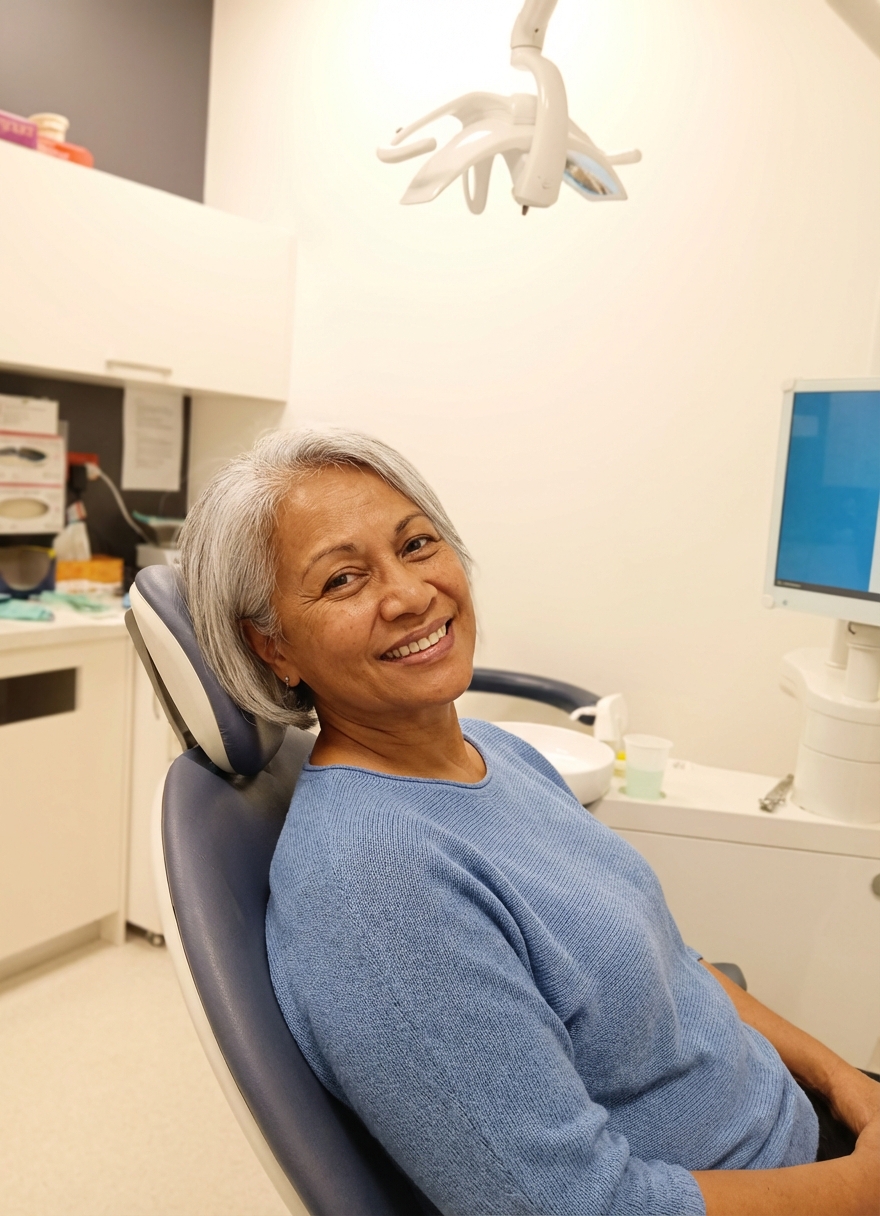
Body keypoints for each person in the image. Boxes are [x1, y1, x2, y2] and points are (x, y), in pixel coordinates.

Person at [179, 429, 880, 1216]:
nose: (410, 594)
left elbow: (678, 969)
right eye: (344, 580)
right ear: (273, 647)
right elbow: (570, 1207)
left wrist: (847, 1085)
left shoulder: (495, 750)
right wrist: (859, 1188)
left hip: (807, 1129)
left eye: (417, 544)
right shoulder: (374, 882)